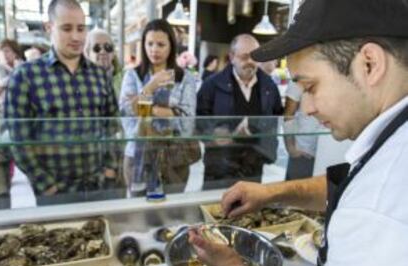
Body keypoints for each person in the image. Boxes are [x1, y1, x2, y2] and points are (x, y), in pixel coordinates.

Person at [189, 0, 408, 266]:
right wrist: (271, 193)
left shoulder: (376, 214)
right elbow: (352, 183)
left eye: (310, 86)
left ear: (369, 64)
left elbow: (365, 196)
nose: (306, 107)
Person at [4, 0, 119, 205]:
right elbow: (19, 141)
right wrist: (47, 186)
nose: (76, 36)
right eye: (66, 28)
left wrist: (110, 170)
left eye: (81, 28)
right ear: (49, 28)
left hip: (99, 186)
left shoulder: (100, 75)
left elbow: (111, 125)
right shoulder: (25, 76)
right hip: (54, 192)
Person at [119, 19, 197, 195]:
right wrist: (150, 87)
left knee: (171, 213)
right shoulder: (132, 75)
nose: (154, 49)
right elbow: (125, 112)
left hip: (174, 157)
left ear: (171, 46)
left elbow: (187, 121)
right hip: (137, 156)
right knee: (138, 214)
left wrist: (146, 108)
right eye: (150, 43)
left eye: (161, 44)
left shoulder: (184, 78)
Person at [197, 34, 283, 190]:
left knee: (249, 212)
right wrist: (213, 133)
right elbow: (198, 120)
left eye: (254, 57)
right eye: (244, 57)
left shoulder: (269, 87)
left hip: (254, 167)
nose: (250, 62)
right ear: (231, 57)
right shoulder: (211, 86)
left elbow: (276, 120)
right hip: (219, 167)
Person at [283, 81, 319, 180]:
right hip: (303, 151)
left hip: (326, 150)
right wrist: (291, 148)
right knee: (294, 191)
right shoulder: (299, 78)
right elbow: (288, 115)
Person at [84, 28, 123, 96]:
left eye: (108, 47)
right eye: (97, 48)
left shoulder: (126, 79)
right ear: (87, 54)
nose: (103, 52)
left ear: (113, 53)